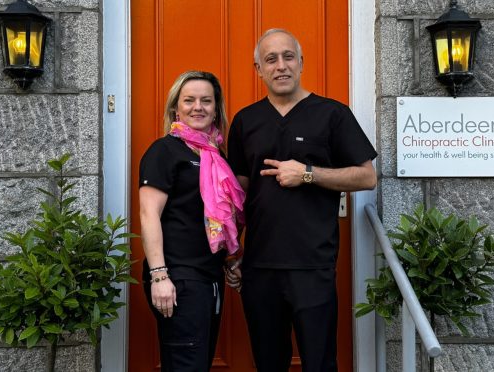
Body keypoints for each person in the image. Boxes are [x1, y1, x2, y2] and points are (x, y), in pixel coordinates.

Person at [226, 29, 378, 372]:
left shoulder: (332, 115)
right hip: (259, 267)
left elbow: (366, 176)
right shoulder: (245, 121)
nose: (281, 66)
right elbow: (238, 193)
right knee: (268, 363)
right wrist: (231, 251)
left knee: (319, 363)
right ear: (258, 70)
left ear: (301, 63)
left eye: (288, 57)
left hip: (313, 265)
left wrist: (308, 173)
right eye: (271, 59)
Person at [139, 70, 245, 372]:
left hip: (207, 277)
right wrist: (160, 276)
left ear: (215, 108)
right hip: (178, 278)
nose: (198, 107)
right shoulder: (164, 151)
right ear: (176, 107)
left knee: (198, 363)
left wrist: (229, 259)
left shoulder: (216, 156)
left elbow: (214, 219)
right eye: (189, 100)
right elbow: (149, 215)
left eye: (206, 101)